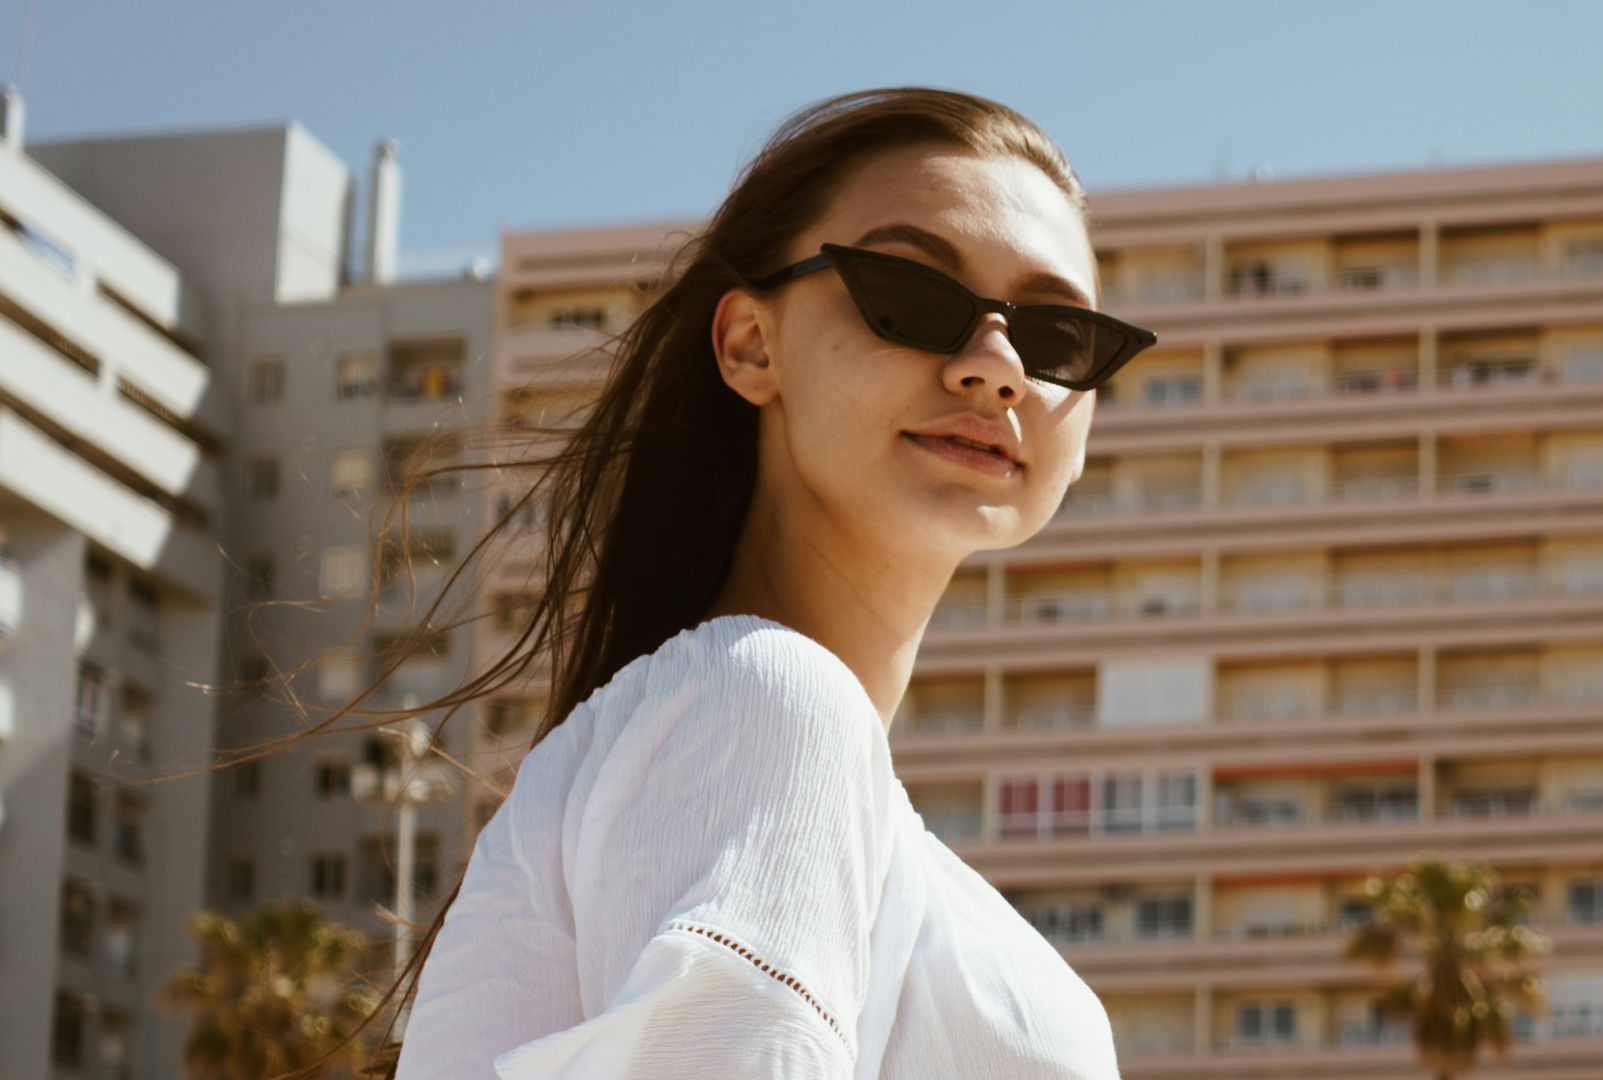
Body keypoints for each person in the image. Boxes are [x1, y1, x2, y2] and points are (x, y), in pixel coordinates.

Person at [379, 85, 1157, 1078]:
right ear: (752, 342)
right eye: (911, 296)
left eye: (1058, 339)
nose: (998, 368)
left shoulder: (748, 736)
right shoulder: (769, 703)